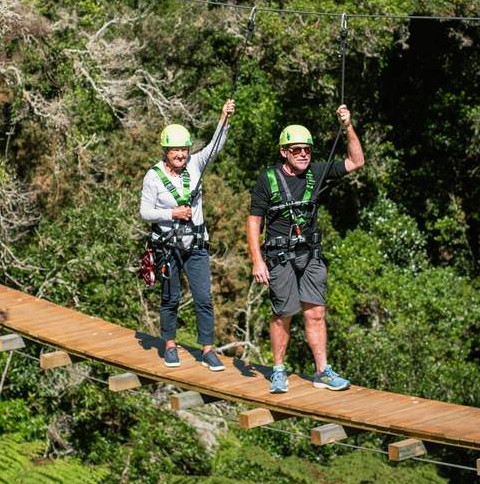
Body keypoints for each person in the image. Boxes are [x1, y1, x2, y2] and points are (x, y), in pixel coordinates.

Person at [247, 105, 364, 393]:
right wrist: (257, 261)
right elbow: (254, 222)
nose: (303, 154)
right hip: (279, 256)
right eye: (296, 149)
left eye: (307, 150)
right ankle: (278, 370)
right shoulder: (269, 179)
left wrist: (347, 126)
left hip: (310, 254)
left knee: (315, 313)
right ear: (284, 152)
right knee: (283, 313)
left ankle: (322, 371)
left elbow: (356, 161)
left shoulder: (316, 172)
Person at [140, 99, 235, 370]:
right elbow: (145, 212)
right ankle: (169, 344)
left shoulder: (195, 164)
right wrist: (172, 214)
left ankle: (207, 349)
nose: (181, 154)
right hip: (167, 245)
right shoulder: (154, 177)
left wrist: (223, 118)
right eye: (175, 151)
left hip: (195, 245)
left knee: (204, 298)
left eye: (183, 149)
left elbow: (216, 146)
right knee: (171, 297)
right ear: (166, 152)